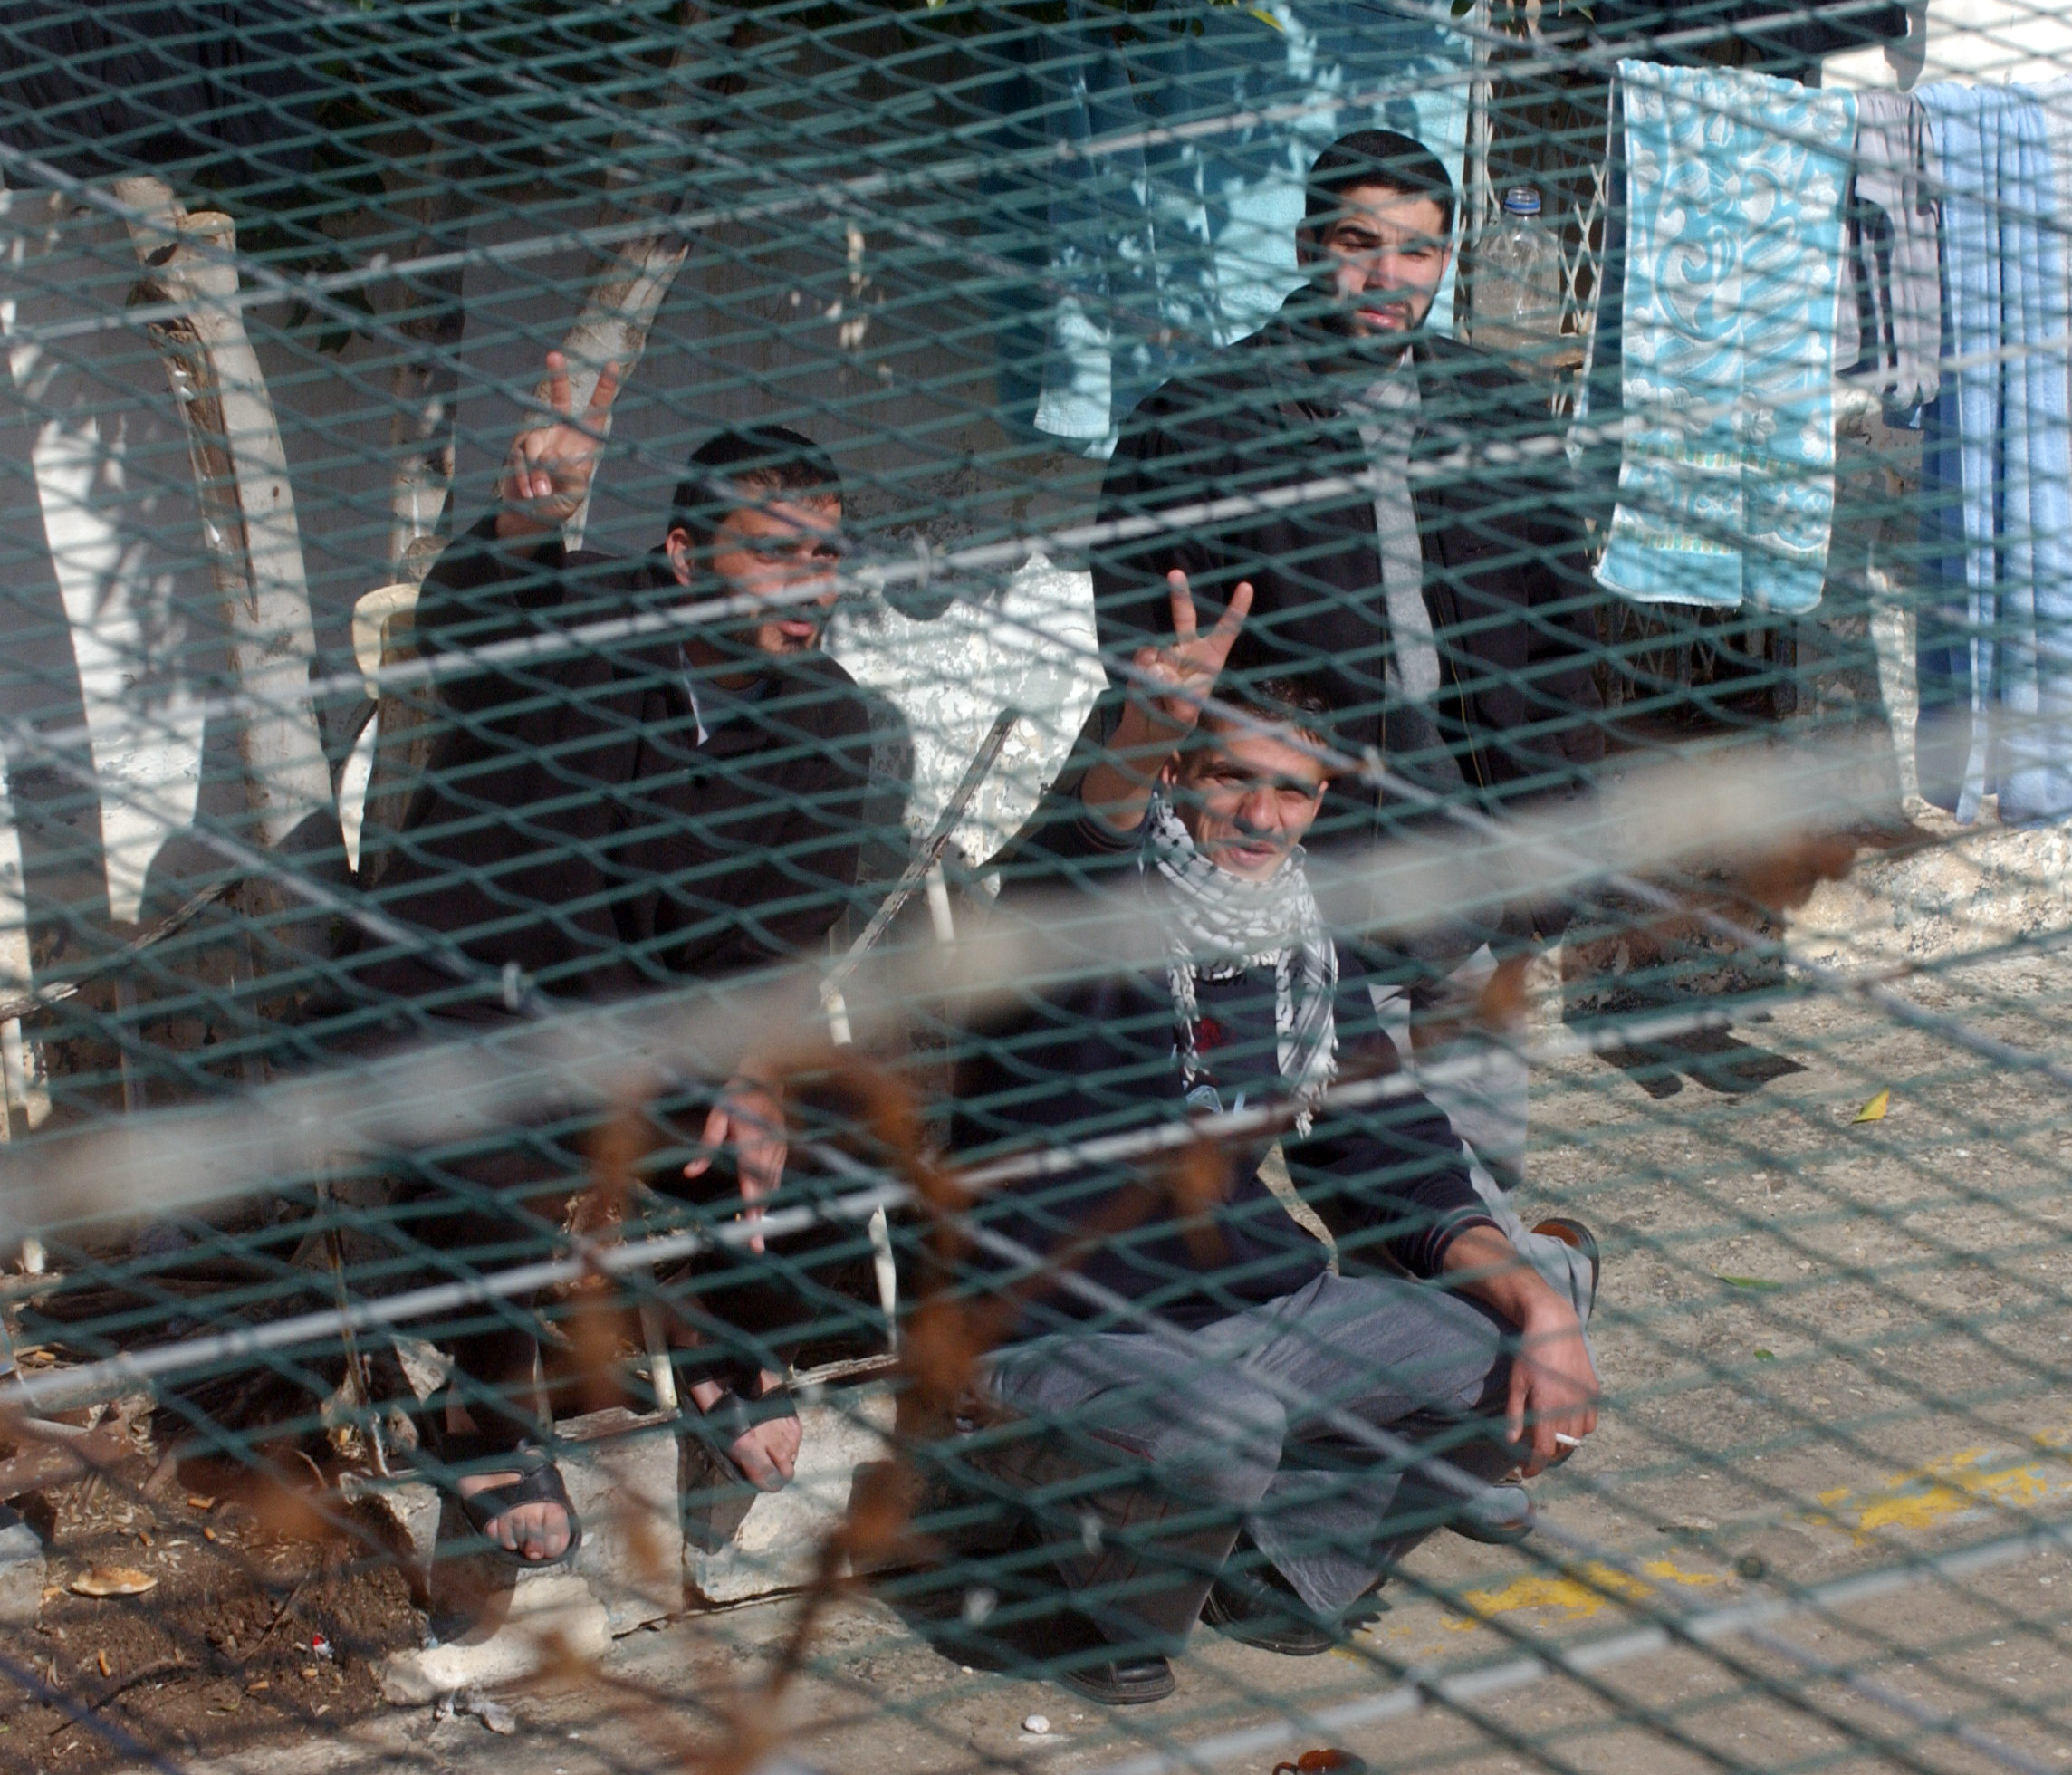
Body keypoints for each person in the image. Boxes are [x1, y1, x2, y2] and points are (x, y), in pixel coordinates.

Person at [939, 571, 1599, 1706]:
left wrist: (1537, 1308)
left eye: (1293, 793)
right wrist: (1144, 719)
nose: (1261, 816)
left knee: (1533, 1311)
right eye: (1231, 778)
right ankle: (1097, 1608)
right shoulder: (1080, 906)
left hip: (1247, 1304)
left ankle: (1283, 1562)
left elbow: (1387, 1150)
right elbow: (1083, 828)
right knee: (1223, 1421)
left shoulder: (1299, 946)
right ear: (1176, 777)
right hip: (1058, 1319)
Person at [332, 353, 897, 1569]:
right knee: (502, 1138)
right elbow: (469, 623)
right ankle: (483, 1408)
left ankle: (727, 1339)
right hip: (480, 999)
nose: (811, 586)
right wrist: (533, 510)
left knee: (795, 1120)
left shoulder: (827, 718)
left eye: (828, 556)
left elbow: (784, 928)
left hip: (658, 1019)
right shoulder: (574, 621)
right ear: (686, 557)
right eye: (774, 553)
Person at [1087, 128, 1607, 1220]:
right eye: (1358, 243)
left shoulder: (1495, 414)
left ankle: (1483, 1360)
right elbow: (1147, 667)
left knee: (1485, 1183)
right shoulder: (1201, 426)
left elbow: (1565, 642)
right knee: (1359, 1181)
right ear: (1305, 245)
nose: (1386, 277)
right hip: (1314, 872)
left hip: (1480, 859)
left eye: (1417, 252)